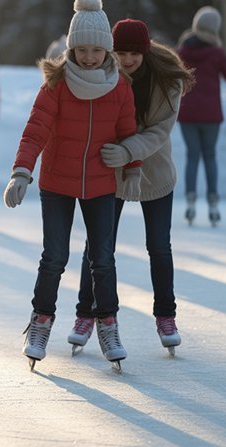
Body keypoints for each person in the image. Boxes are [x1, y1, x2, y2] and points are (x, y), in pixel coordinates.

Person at [4, 0, 138, 370]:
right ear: (71, 48)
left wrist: (130, 160)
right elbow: (35, 132)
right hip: (58, 183)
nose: (90, 56)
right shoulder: (57, 83)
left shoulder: (120, 86)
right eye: (82, 49)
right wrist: (21, 171)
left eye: (97, 49)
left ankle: (108, 324)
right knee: (55, 257)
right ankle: (41, 322)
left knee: (103, 259)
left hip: (101, 185)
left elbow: (129, 132)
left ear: (107, 50)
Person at [67, 19, 195, 356]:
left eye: (134, 53)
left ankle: (166, 316)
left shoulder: (166, 79)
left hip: (154, 171)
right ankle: (85, 314)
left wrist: (128, 150)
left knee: (158, 246)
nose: (127, 60)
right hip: (112, 171)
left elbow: (159, 131)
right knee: (98, 247)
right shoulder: (106, 74)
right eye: (121, 52)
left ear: (146, 50)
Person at [176, 6, 226, 225]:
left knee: (192, 156)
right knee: (209, 156)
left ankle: (190, 200)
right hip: (211, 114)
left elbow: (174, 74)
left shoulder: (183, 50)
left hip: (187, 112)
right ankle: (213, 202)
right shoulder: (217, 52)